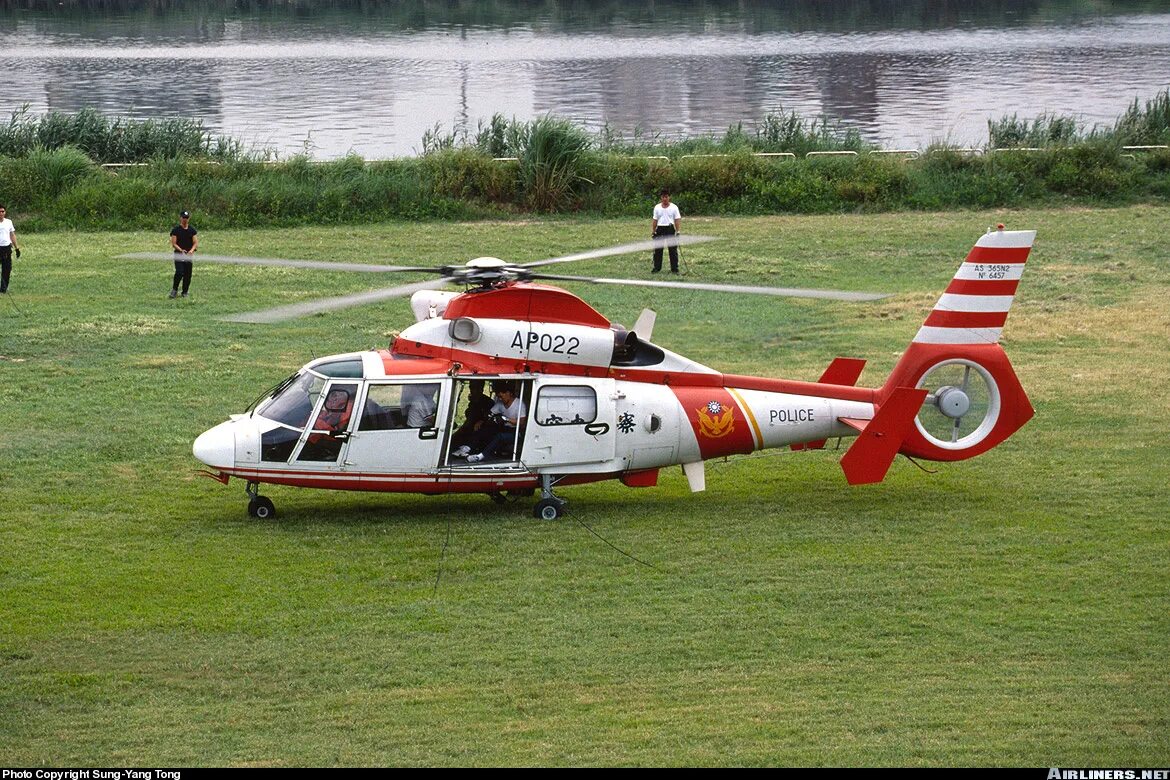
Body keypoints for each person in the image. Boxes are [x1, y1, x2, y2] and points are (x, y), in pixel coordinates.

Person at [466, 382, 527, 463]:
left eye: (501, 396)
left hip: (516, 432)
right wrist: (481, 421)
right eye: (499, 397)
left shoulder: (519, 404)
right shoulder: (500, 404)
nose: (500, 399)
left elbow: (522, 423)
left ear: (508, 393)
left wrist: (505, 419)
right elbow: (489, 414)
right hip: (504, 428)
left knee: (500, 436)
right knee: (486, 429)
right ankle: (467, 448)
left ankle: (481, 456)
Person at [451, 380, 494, 454]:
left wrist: (482, 421)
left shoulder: (488, 402)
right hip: (469, 429)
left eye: (475, 388)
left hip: (480, 431)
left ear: (481, 389)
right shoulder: (473, 401)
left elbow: (491, 417)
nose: (472, 390)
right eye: (471, 387)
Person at [650, 188, 681, 274]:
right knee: (658, 250)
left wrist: (678, 231)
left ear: (669, 197)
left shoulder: (674, 207)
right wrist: (653, 231)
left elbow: (677, 220)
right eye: (663, 197)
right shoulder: (657, 207)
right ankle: (657, 268)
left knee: (672, 250)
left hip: (670, 228)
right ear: (661, 198)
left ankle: (674, 269)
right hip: (660, 228)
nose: (665, 199)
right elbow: (655, 220)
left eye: (666, 197)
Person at [169, 210, 198, 298]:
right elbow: (174, 243)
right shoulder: (176, 230)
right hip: (179, 254)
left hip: (188, 256)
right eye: (183, 218)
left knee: (188, 274)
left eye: (187, 218)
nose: (185, 220)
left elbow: (195, 242)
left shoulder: (192, 230)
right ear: (180, 218)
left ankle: (185, 291)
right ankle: (174, 290)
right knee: (179, 272)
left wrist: (191, 251)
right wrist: (181, 250)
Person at [0, 204, 21, 295]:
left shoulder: (8, 222)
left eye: (2, 211)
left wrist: (17, 248)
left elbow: (12, 235)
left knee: (7, 268)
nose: (1, 213)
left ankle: (3, 289)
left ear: (5, 212)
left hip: (6, 248)